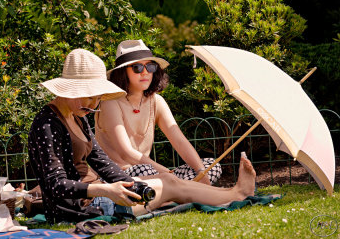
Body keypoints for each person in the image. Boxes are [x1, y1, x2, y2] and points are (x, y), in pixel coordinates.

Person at [28, 48, 256, 224]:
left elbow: (103, 164)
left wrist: (128, 186)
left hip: (100, 194)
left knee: (169, 180)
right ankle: (235, 194)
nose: (93, 103)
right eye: (88, 96)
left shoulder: (78, 116)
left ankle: (232, 192)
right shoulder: (47, 124)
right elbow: (54, 185)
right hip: (78, 208)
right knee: (168, 185)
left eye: (97, 96)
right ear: (69, 89)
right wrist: (105, 190)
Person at [95, 39, 221, 185]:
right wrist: (167, 174)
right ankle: (182, 191)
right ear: (123, 72)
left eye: (150, 67)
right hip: (117, 178)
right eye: (137, 68)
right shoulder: (110, 103)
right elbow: (126, 152)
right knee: (148, 172)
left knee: (211, 167)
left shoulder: (156, 101)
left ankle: (176, 192)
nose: (145, 73)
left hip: (153, 175)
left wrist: (200, 171)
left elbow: (179, 141)